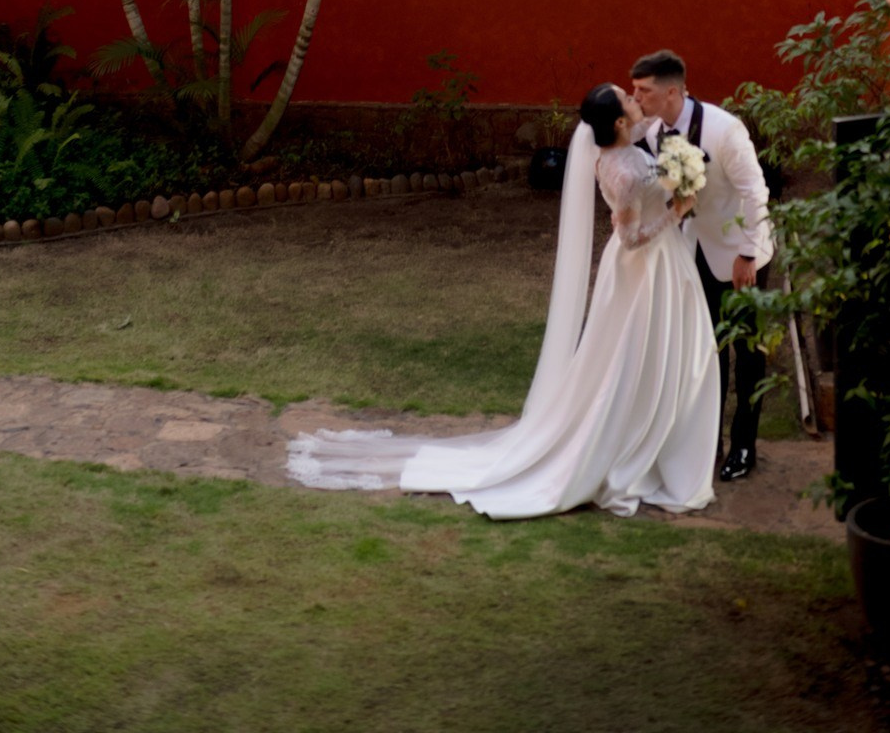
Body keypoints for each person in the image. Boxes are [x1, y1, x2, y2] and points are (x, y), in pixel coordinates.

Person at [285, 82, 720, 518]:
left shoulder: (623, 145)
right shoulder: (621, 173)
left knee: (659, 353)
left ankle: (659, 439)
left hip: (662, 264)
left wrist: (675, 133)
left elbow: (652, 130)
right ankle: (631, 446)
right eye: (627, 98)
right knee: (632, 357)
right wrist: (676, 211)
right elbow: (630, 239)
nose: (634, 98)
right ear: (620, 122)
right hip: (642, 268)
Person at [630, 49, 773, 482]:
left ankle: (744, 445)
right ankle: (709, 441)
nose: (637, 98)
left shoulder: (724, 129)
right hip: (694, 253)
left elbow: (755, 191)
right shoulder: (652, 132)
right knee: (707, 352)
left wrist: (748, 253)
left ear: (672, 92)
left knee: (747, 353)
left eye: (644, 91)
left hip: (741, 255)